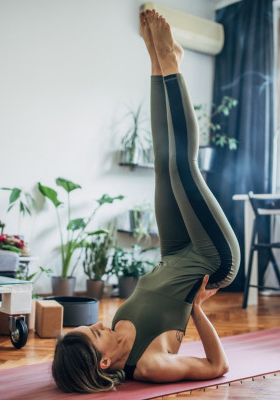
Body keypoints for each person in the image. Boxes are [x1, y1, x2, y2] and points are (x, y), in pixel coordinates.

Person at [51, 9, 240, 393]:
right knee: (182, 168)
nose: (99, 324)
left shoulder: (118, 324)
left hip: (173, 253)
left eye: (91, 325)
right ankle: (171, 64)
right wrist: (199, 310)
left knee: (161, 165)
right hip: (212, 260)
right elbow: (218, 366)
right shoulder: (150, 365)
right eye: (94, 333)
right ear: (104, 361)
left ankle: (158, 63)